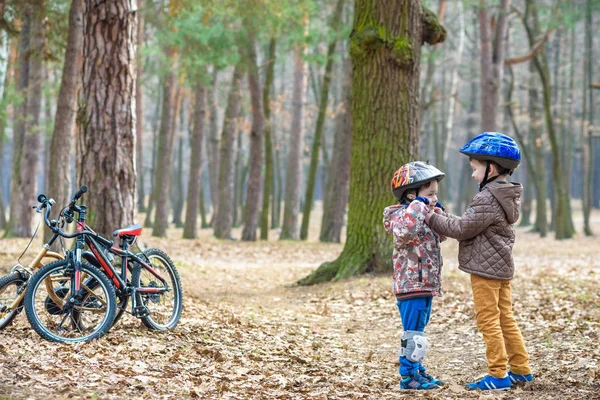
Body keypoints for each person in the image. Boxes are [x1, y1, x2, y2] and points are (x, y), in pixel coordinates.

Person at [425, 132, 533, 391]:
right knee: (505, 318)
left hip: (485, 270)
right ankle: (521, 370)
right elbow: (470, 223)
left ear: (491, 168)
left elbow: (463, 228)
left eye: (475, 169)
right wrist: (443, 214)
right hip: (500, 268)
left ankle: (498, 374)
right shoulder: (505, 194)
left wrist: (431, 218)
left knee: (488, 320)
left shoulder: (487, 196)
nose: (473, 175)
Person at [383, 161, 446, 390]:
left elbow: (442, 236)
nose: (433, 198)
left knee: (419, 333)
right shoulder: (399, 216)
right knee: (413, 333)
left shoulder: (422, 213)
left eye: (435, 195)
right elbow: (404, 232)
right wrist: (420, 206)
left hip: (426, 283)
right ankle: (407, 377)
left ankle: (417, 370)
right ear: (411, 195)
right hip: (410, 285)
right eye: (429, 194)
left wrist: (437, 212)